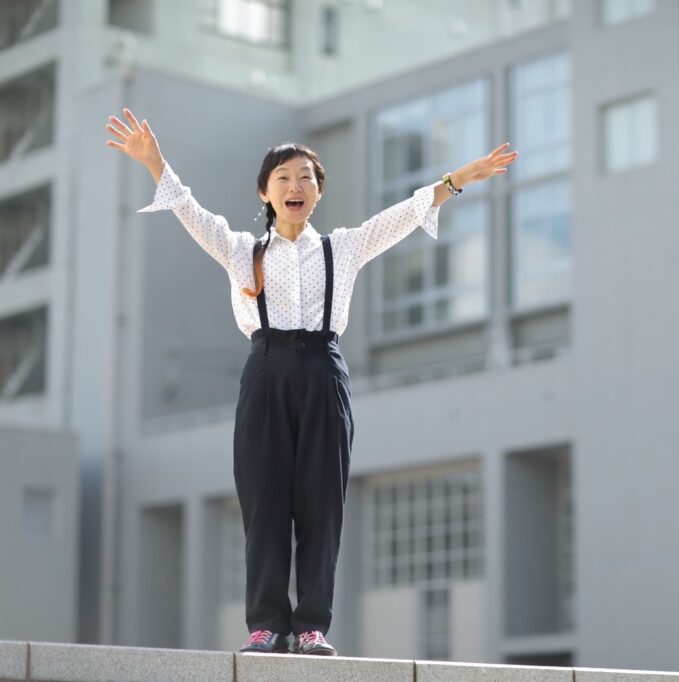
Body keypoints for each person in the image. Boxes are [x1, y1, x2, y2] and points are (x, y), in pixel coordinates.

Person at [105, 107, 517, 656]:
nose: (295, 186)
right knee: (264, 501)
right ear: (265, 193)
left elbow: (403, 214)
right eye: (283, 178)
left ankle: (311, 626)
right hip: (265, 371)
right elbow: (190, 211)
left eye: (305, 178)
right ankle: (266, 625)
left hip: (325, 371)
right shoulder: (239, 250)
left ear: (319, 191)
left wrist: (457, 180)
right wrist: (155, 163)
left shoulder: (341, 247)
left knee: (323, 502)